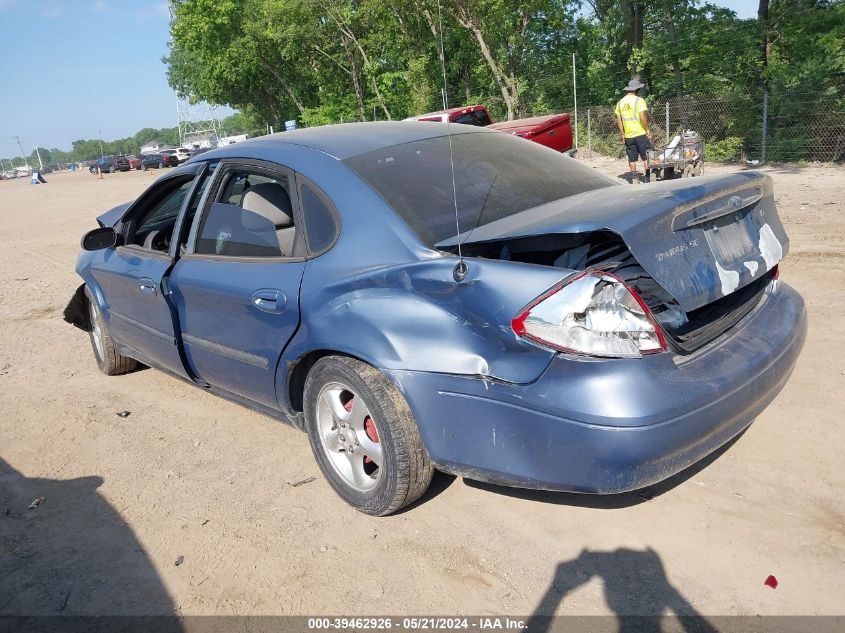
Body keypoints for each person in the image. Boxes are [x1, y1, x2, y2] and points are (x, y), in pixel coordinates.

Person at [614, 79, 652, 183]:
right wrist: (647, 130)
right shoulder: (639, 101)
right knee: (646, 156)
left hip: (628, 136)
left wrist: (623, 134)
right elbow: (642, 116)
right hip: (640, 134)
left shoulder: (620, 102)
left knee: (631, 158)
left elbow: (619, 120)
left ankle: (635, 178)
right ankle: (648, 177)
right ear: (637, 90)